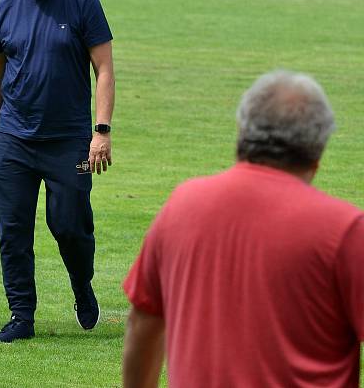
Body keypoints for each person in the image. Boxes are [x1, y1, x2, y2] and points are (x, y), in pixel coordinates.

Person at [123, 70, 364, 387]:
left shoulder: (182, 206)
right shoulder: (344, 230)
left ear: (241, 133)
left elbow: (144, 322)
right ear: (318, 151)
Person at [0, 0, 115, 343]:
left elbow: (105, 70)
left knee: (70, 226)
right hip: (14, 140)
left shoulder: (83, 3)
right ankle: (21, 317)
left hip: (68, 139)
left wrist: (102, 132)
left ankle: (81, 284)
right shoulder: (4, 8)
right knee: (13, 232)